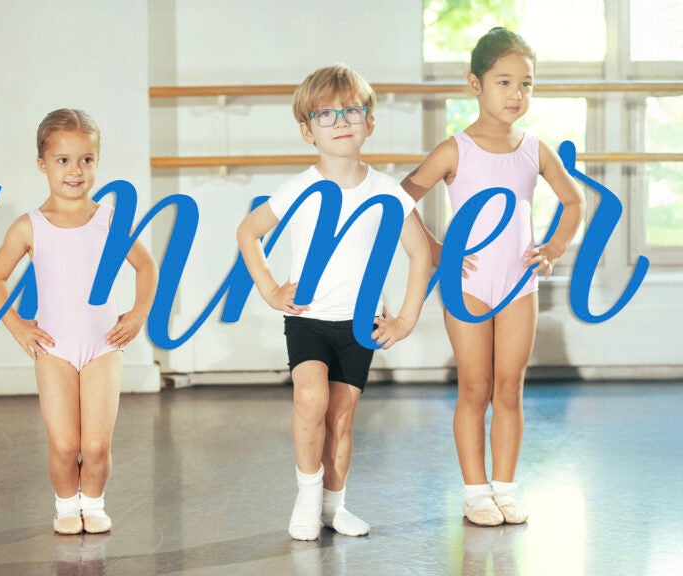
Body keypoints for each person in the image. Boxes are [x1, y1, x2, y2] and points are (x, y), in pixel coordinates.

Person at [237, 64, 432, 540]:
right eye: (326, 114)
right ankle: (306, 497)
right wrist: (268, 289)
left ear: (369, 121)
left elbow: (421, 252)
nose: (341, 121)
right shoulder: (300, 188)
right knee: (310, 400)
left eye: (351, 111)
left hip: (359, 325)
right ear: (307, 131)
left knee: (341, 418)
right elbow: (249, 231)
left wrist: (406, 319)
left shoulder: (386, 192)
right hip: (308, 319)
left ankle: (334, 506)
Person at [400, 27, 584, 526]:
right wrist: (439, 250)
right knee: (474, 387)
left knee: (509, 388)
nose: (516, 94)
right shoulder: (454, 150)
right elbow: (398, 202)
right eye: (504, 82)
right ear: (475, 84)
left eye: (526, 84)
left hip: (519, 284)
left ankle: (505, 488)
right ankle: (475, 492)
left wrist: (555, 247)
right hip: (468, 288)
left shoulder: (535, 149)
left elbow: (574, 201)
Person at [0, 109, 158, 535]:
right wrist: (20, 327)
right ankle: (66, 505)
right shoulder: (30, 226)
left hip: (103, 346)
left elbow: (147, 267)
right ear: (42, 164)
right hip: (54, 350)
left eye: (86, 159)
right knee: (64, 445)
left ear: (97, 162)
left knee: (96, 445)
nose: (75, 170)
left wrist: (137, 314)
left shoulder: (110, 220)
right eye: (63, 160)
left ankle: (93, 504)